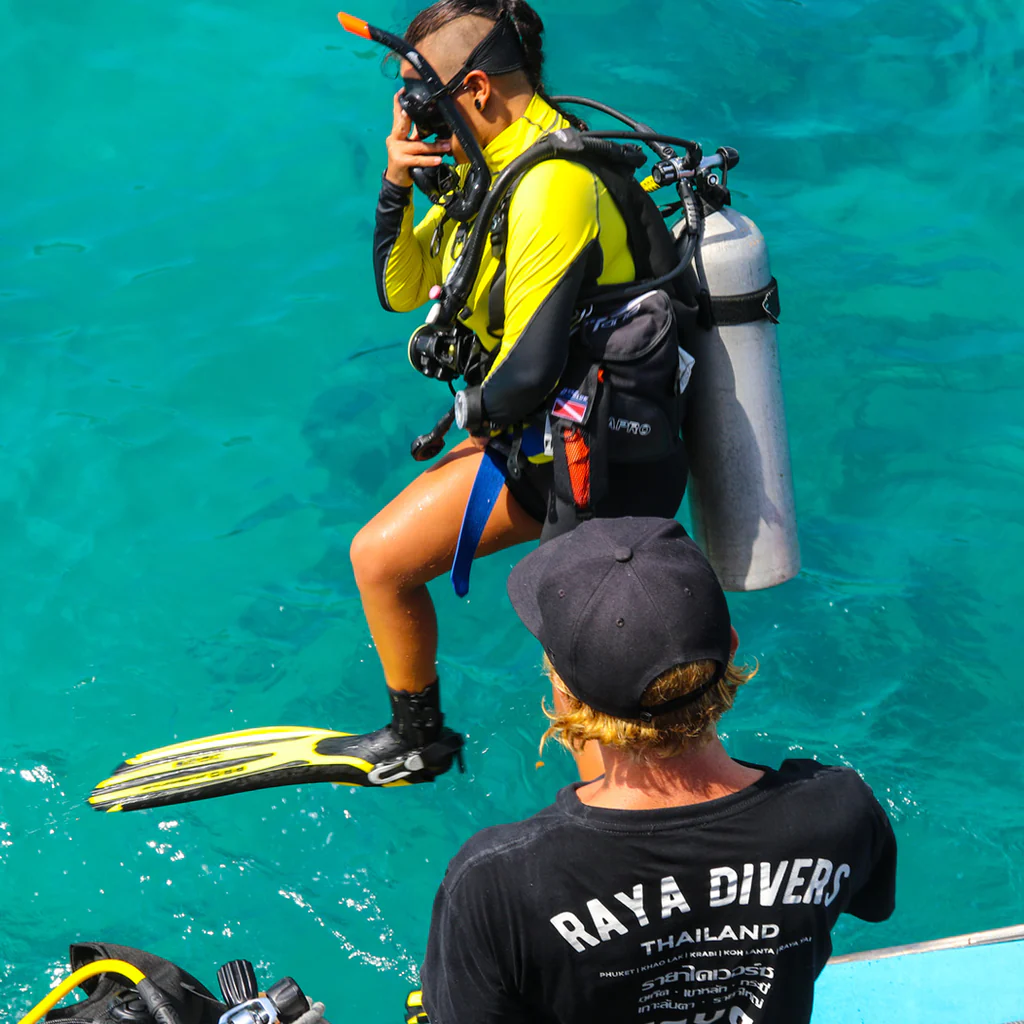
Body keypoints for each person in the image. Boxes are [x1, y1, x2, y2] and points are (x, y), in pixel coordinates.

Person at [339, 0, 692, 786]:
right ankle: (419, 737)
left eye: (418, 93)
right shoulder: (488, 172)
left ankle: (620, 828)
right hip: (534, 436)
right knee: (380, 559)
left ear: (473, 89)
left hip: (602, 453)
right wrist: (397, 182)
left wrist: (460, 413)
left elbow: (528, 372)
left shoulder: (552, 184)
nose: (409, 109)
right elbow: (401, 286)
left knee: (577, 688)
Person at [416, 517, 897, 1024]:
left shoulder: (494, 886)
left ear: (563, 696)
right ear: (730, 645)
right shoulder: (840, 810)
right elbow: (867, 903)